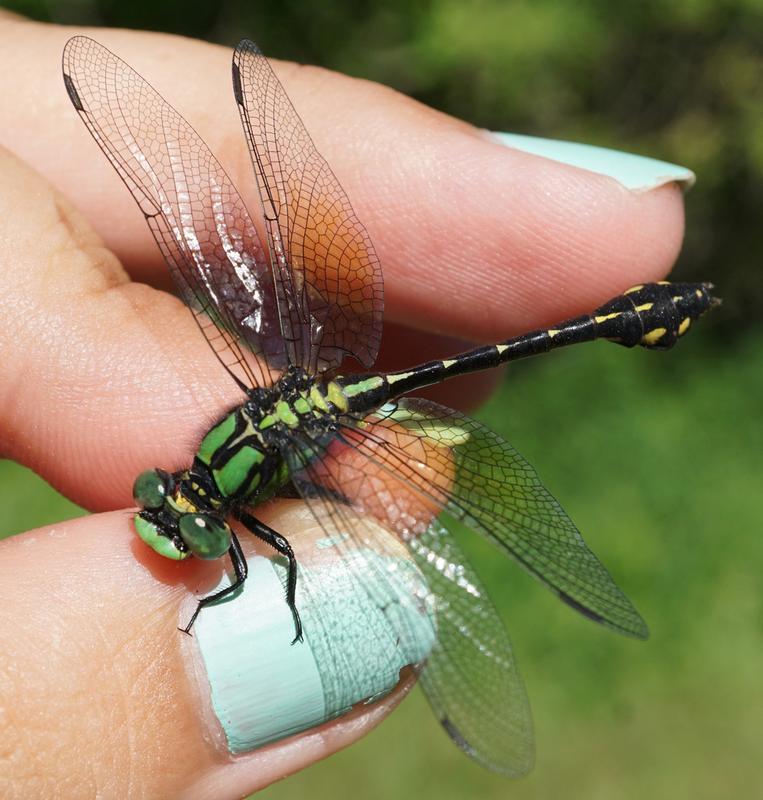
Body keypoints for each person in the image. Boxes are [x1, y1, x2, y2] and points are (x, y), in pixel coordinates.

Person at [0, 13, 691, 798]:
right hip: (314, 398)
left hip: (332, 402)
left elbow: (278, 558)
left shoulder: (242, 497)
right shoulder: (235, 462)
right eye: (180, 507)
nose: (179, 504)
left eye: (179, 505)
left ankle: (617, 318)